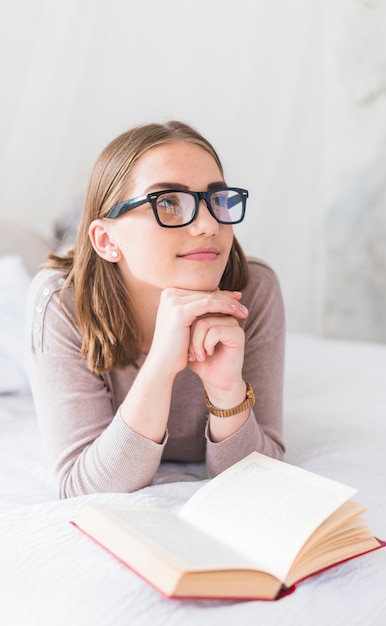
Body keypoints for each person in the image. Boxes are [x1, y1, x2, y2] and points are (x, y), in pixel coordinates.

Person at [26, 120, 285, 498]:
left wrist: (226, 390)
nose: (208, 224)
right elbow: (83, 488)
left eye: (217, 200)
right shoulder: (60, 304)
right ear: (106, 239)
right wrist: (161, 367)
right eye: (167, 202)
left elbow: (264, 480)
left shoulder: (253, 290)